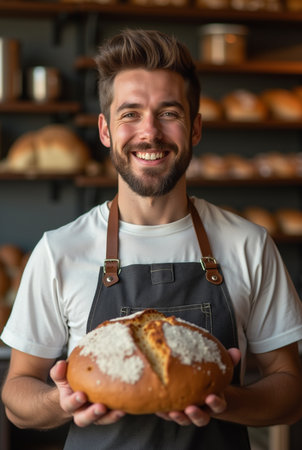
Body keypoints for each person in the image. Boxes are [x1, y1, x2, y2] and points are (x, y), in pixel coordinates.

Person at [1, 28, 302, 450]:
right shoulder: (60, 250)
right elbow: (17, 396)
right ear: (105, 130)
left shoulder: (248, 244)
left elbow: (290, 392)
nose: (150, 132)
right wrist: (61, 401)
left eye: (169, 113)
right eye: (130, 114)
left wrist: (226, 401)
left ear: (194, 128)